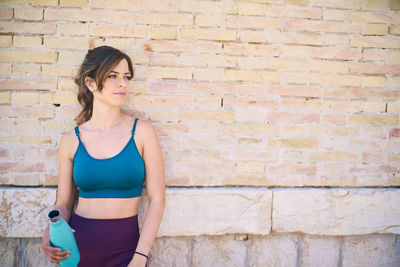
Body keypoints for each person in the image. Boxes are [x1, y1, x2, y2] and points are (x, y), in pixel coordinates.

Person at [41, 45, 166, 267]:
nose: (123, 83)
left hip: (127, 252)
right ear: (90, 83)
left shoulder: (142, 132)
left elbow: (157, 199)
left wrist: (141, 255)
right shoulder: (71, 139)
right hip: (76, 251)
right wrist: (49, 231)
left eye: (126, 77)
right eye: (112, 76)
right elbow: (64, 203)